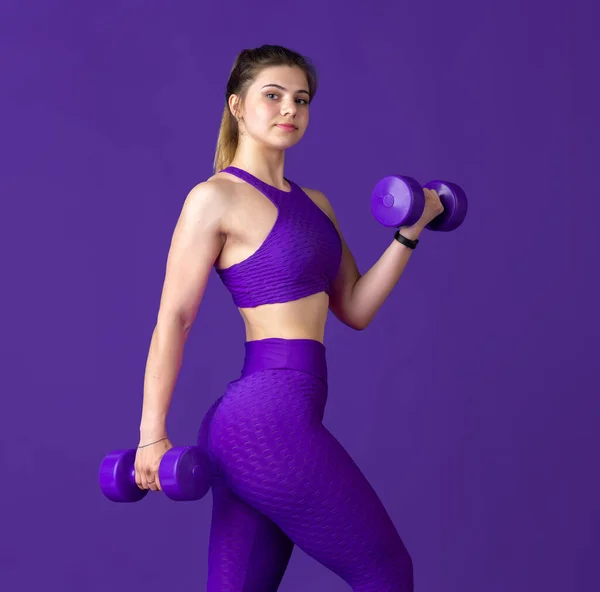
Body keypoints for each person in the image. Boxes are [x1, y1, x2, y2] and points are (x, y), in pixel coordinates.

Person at [134, 44, 443, 591]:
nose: (289, 110)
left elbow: (355, 307)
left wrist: (410, 231)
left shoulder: (316, 204)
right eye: (272, 96)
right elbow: (174, 319)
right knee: (387, 572)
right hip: (264, 421)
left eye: (300, 99)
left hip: (274, 416)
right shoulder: (215, 199)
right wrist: (151, 435)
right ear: (237, 106)